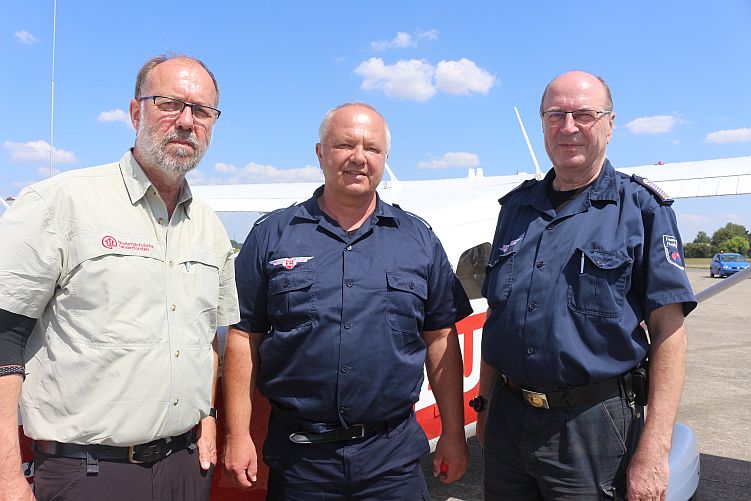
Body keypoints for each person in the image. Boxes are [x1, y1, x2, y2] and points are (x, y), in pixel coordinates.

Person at [0, 53, 239, 501]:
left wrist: (207, 417)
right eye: (170, 103)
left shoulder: (210, 227)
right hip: (89, 474)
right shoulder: (59, 204)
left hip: (188, 469)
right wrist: (7, 480)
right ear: (136, 112)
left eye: (201, 111)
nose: (187, 121)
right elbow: (3, 338)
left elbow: (205, 338)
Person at [222, 102, 472, 500]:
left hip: (391, 459)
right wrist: (238, 435)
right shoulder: (271, 236)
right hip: (301, 460)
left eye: (372, 148)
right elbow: (243, 336)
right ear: (320, 153)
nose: (359, 157)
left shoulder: (418, 240)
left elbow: (440, 338)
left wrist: (454, 435)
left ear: (384, 158)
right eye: (344, 145)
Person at [476, 71, 696, 500]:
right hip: (508, 419)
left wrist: (654, 447)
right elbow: (496, 317)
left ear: (610, 125)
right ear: (543, 124)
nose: (569, 127)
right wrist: (484, 407)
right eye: (556, 115)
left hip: (593, 425)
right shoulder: (515, 209)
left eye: (584, 115)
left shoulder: (643, 209)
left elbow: (670, 332)